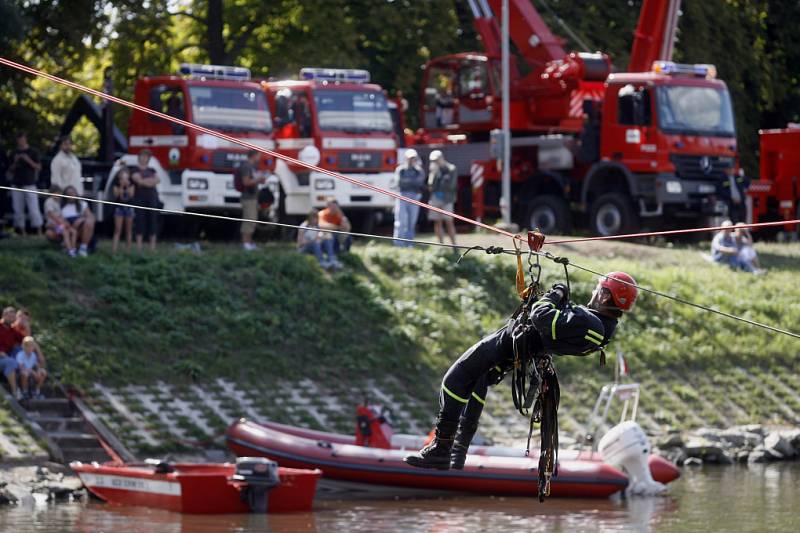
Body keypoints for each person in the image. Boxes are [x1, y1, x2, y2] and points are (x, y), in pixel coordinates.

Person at [405, 272, 638, 471]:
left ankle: (442, 447)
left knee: (454, 381)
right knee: (478, 381)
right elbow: (554, 321)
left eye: (598, 290)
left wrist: (555, 294)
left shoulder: (592, 324)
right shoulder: (600, 327)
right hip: (517, 348)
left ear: (606, 296)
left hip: (507, 345)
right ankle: (458, 453)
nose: (593, 293)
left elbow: (541, 315)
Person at [7, 132, 43, 236]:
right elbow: (10, 170)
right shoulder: (13, 153)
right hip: (16, 184)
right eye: (19, 140)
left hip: (30, 183)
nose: (21, 141)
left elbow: (39, 167)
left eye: (22, 139)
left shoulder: (33, 152)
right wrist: (16, 161)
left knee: (34, 208)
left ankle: (39, 230)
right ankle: (22, 232)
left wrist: (28, 160)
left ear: (26, 139)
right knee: (18, 208)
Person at [390, 149, 426, 247]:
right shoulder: (400, 169)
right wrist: (411, 181)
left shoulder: (419, 171)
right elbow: (399, 182)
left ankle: (409, 243)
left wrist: (407, 181)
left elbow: (419, 183)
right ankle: (398, 243)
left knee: (412, 221)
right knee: (400, 220)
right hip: (402, 195)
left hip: (415, 196)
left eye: (413, 158)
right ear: (406, 158)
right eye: (410, 158)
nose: (411, 160)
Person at [131, 149, 160, 252]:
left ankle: (152, 248)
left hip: (152, 198)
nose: (144, 158)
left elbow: (157, 180)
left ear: (148, 159)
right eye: (142, 156)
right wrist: (148, 181)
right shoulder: (134, 169)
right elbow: (138, 180)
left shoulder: (152, 170)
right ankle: (139, 248)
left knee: (153, 221)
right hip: (139, 198)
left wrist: (144, 181)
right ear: (139, 158)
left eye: (146, 156)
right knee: (140, 221)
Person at [427, 150, 458, 245]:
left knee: (449, 222)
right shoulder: (435, 170)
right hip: (435, 198)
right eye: (433, 161)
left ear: (441, 158)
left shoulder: (451, 168)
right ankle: (441, 245)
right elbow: (430, 186)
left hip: (447, 199)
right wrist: (433, 174)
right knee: (437, 222)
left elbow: (451, 186)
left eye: (436, 160)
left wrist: (442, 182)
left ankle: (454, 246)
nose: (435, 162)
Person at [236, 150, 265, 251]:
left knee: (252, 220)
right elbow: (246, 182)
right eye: (258, 156)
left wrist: (260, 179)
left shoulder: (252, 167)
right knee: (249, 220)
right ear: (254, 156)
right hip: (248, 198)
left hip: (253, 197)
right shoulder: (246, 167)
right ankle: (246, 244)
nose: (259, 158)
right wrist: (258, 179)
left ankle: (249, 243)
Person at [43, 185, 78, 256]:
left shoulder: (57, 203)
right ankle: (70, 251)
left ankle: (73, 249)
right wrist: (62, 223)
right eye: (56, 193)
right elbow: (51, 214)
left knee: (73, 232)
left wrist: (65, 222)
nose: (58, 195)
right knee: (65, 232)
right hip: (52, 224)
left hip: (60, 224)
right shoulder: (49, 201)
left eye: (59, 193)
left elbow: (61, 215)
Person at [61, 185, 95, 257]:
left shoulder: (82, 204)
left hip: (81, 228)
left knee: (89, 222)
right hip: (67, 229)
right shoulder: (62, 207)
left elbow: (91, 217)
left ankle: (83, 248)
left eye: (73, 193)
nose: (71, 196)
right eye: (68, 194)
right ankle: (70, 248)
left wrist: (81, 219)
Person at [0, 306, 23, 400]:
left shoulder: (13, 330)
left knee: (20, 349)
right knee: (11, 362)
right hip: (3, 358)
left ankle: (28, 390)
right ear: (4, 316)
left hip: (7, 358)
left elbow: (27, 341)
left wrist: (26, 326)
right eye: (9, 317)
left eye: (13, 317)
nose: (11, 319)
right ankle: (15, 390)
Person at [111, 167, 136, 252]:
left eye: (126, 175)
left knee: (128, 230)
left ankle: (128, 250)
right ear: (119, 176)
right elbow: (117, 195)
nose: (124, 177)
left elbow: (131, 195)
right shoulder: (116, 184)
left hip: (129, 208)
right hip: (119, 208)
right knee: (117, 229)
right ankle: (114, 250)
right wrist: (121, 185)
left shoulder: (131, 184)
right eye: (122, 175)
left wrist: (127, 185)